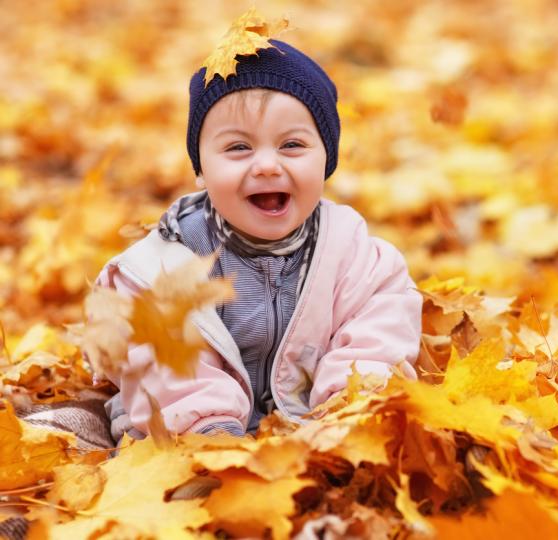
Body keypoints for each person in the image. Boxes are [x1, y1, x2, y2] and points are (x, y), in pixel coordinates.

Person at [95, 39, 422, 442]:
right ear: (201, 169)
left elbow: (377, 338)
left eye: (292, 145)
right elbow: (165, 365)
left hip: (318, 425)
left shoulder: (354, 256)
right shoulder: (162, 268)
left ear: (327, 160)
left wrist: (349, 409)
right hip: (189, 429)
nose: (267, 165)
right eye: (238, 147)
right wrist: (213, 440)